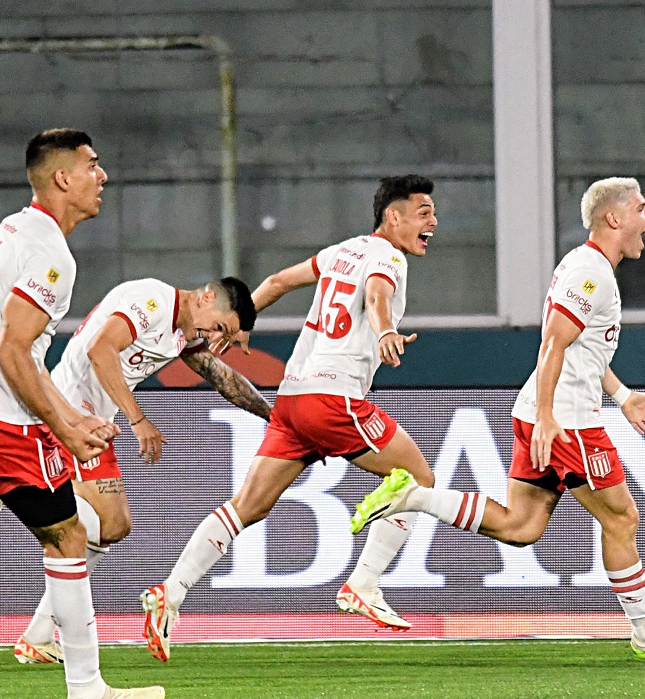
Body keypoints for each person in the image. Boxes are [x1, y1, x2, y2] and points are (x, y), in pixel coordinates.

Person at [350, 177, 645, 662]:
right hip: (566, 421)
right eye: (642, 209)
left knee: (521, 527)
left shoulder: (587, 266)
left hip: (545, 412)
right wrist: (548, 418)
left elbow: (582, 348)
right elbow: (553, 345)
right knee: (622, 516)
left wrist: (622, 395)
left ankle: (415, 496)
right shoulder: (594, 275)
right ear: (614, 218)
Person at [139, 174, 441, 662]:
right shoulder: (389, 257)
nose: (433, 220)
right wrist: (385, 330)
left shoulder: (342, 251)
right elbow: (378, 296)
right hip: (333, 398)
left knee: (248, 506)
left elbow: (278, 282)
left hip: (293, 399)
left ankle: (170, 592)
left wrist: (238, 322)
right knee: (418, 478)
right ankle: (363, 584)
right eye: (423, 211)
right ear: (393, 216)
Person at [0, 128, 163, 699]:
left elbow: (15, 350)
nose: (102, 176)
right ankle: (87, 696)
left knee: (77, 529)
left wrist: (68, 410)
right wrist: (62, 422)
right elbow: (12, 353)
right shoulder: (52, 253)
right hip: (3, 425)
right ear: (62, 178)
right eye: (92, 165)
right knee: (68, 538)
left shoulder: (14, 229)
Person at [0, 276, 270, 666]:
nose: (214, 337)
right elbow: (100, 349)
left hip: (93, 421)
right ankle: (16, 491)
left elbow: (219, 375)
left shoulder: (183, 330)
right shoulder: (153, 302)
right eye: (220, 326)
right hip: (69, 414)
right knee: (97, 523)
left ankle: (38, 632)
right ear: (207, 297)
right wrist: (139, 420)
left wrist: (274, 417)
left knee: (111, 525)